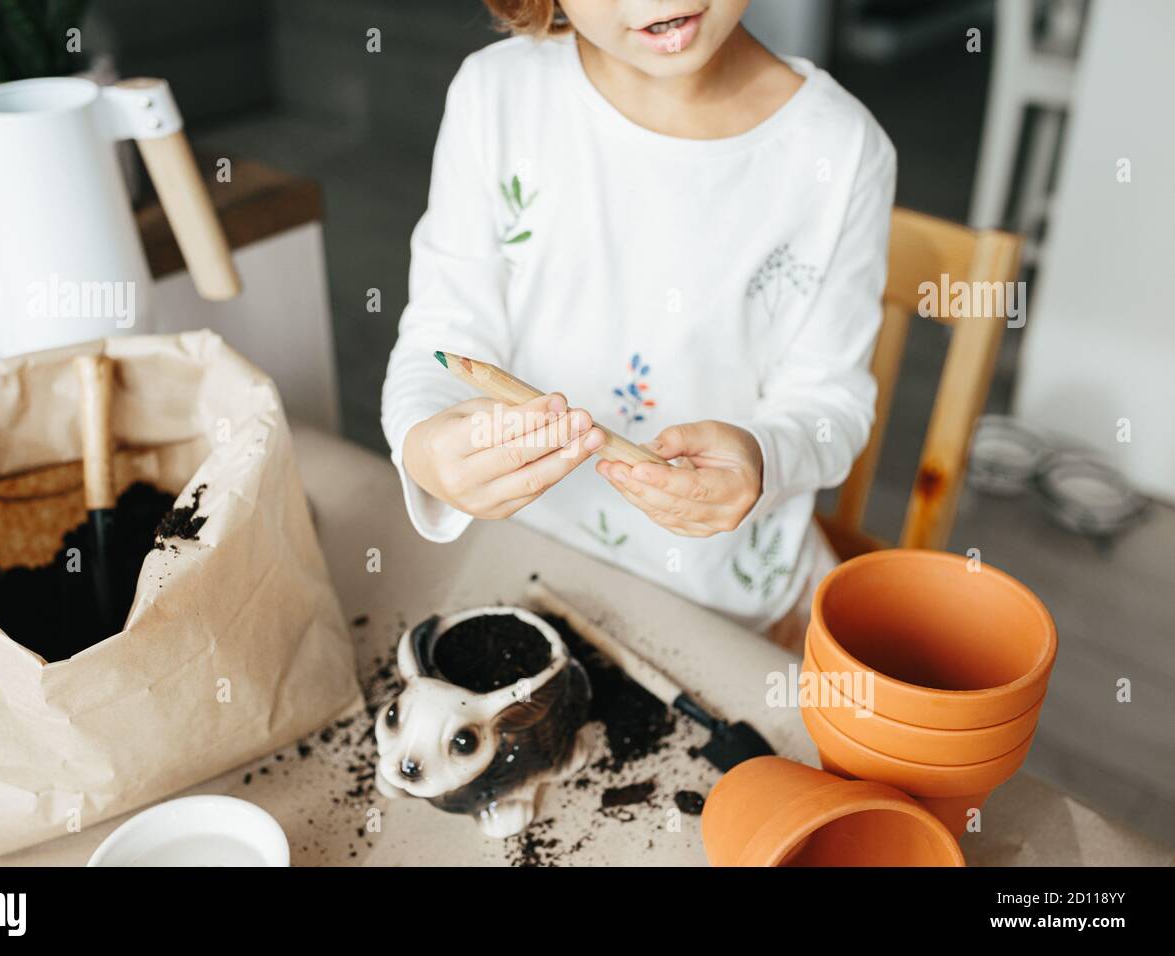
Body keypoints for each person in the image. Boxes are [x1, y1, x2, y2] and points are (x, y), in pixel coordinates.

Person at [381, 0, 896, 648]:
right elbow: (442, 336)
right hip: (529, 574)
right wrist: (424, 448)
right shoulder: (498, 95)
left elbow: (832, 405)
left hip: (730, 607)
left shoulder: (842, 150)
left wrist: (762, 462)